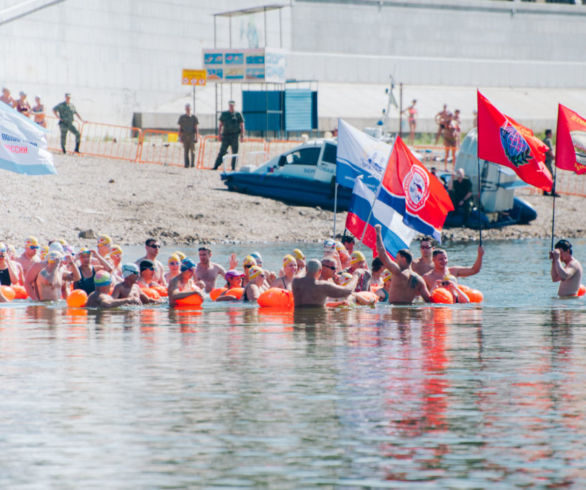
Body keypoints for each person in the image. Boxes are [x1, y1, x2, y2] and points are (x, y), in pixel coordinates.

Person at [374, 225, 433, 304]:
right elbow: (428, 300)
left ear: (403, 259)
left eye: (397, 258)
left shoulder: (397, 272)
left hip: (394, 310)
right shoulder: (419, 279)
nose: (395, 260)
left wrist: (378, 233)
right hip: (409, 312)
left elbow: (382, 254)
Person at [292, 259, 357, 307]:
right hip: (318, 321)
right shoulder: (323, 286)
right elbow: (349, 290)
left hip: (298, 321)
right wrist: (356, 277)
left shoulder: (295, 282)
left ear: (306, 269)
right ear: (320, 271)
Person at [213, 100, 245, 171]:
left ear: (234, 106)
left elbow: (242, 125)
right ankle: (216, 166)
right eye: (230, 105)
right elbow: (220, 125)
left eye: (232, 105)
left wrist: (242, 136)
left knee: (235, 153)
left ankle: (233, 168)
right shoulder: (224, 114)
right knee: (222, 152)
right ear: (229, 106)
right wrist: (219, 134)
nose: (231, 107)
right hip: (226, 136)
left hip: (235, 136)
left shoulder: (238, 114)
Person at [178, 103, 199, 168]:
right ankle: (186, 164)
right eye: (186, 108)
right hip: (184, 136)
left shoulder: (194, 117)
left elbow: (196, 127)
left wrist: (197, 136)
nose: (188, 109)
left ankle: (192, 164)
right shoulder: (182, 117)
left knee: (193, 151)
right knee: (186, 151)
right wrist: (179, 137)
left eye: (188, 108)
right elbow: (180, 128)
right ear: (185, 109)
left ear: (190, 109)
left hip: (192, 136)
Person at [542, 129, 559, 197]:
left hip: (545, 161)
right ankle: (552, 191)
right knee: (551, 176)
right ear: (549, 134)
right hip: (548, 161)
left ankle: (545, 191)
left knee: (546, 176)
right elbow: (548, 150)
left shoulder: (543, 140)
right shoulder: (548, 140)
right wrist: (553, 157)